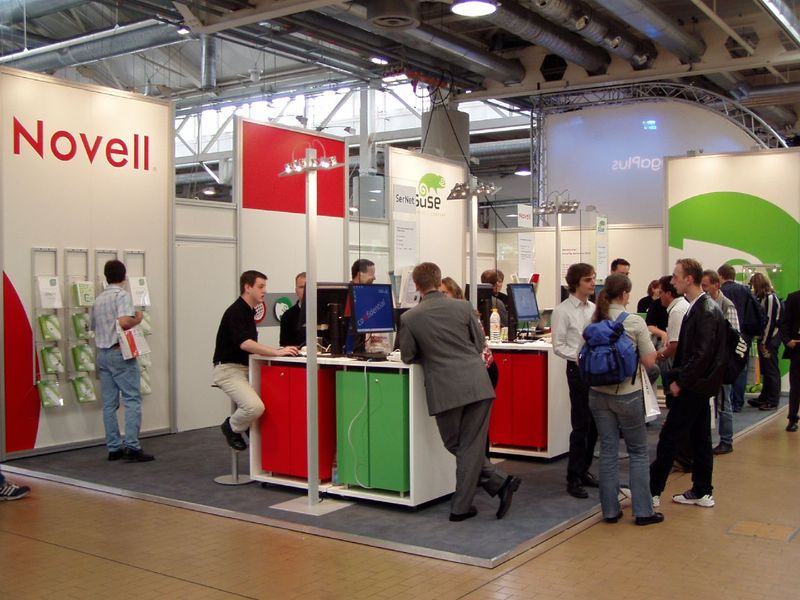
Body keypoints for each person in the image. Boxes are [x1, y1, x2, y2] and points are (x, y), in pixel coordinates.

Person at [399, 262, 521, 522]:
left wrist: (430, 353)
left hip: (444, 388)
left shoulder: (410, 318)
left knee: (456, 444)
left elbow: (407, 355)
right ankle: (499, 483)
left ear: (417, 286)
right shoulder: (464, 307)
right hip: (477, 383)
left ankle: (463, 506)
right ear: (439, 280)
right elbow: (479, 343)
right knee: (469, 446)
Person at [650, 258, 727, 509]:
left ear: (689, 279)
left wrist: (680, 382)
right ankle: (702, 490)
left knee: (670, 436)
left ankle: (651, 491)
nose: (672, 281)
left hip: (694, 386)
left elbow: (701, 355)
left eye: (676, 276)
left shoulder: (705, 310)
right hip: (700, 385)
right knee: (700, 437)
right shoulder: (700, 307)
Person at [586, 274, 661, 526]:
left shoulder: (594, 320)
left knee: (607, 452)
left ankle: (609, 511)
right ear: (624, 294)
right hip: (627, 394)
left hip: (597, 394)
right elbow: (649, 361)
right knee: (638, 452)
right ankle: (643, 511)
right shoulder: (634, 322)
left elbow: (579, 356)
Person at [214, 270, 300, 451]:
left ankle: (258, 444)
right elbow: (245, 343)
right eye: (261, 286)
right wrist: (275, 353)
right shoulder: (236, 311)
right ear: (248, 287)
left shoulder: (248, 311)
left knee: (273, 403)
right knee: (254, 407)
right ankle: (231, 427)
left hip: (245, 368)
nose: (265, 291)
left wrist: (275, 353)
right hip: (229, 370)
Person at [91, 259, 154, 462]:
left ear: (106, 276)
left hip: (102, 354)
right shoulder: (122, 295)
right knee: (132, 399)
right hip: (120, 353)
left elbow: (92, 326)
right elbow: (124, 322)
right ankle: (133, 446)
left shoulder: (99, 299)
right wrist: (138, 318)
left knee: (109, 404)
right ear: (124, 276)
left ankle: (114, 448)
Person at [551, 262, 599, 499]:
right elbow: (558, 346)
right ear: (575, 283)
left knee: (595, 423)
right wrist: (580, 356)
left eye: (593, 278)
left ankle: (584, 469)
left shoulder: (594, 308)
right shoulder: (562, 311)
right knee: (581, 424)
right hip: (578, 370)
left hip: (595, 369)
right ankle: (573, 477)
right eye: (588, 280)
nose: (593, 283)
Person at [701, 269, 740, 455]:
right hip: (709, 363)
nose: (703, 289)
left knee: (724, 404)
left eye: (705, 285)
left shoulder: (727, 305)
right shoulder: (705, 304)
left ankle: (726, 440)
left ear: (717, 285)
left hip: (721, 364)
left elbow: (734, 337)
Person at [440, 276, 498, 388]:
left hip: (484, 369)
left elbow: (478, 344)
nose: (441, 297)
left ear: (455, 294)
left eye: (444, 293)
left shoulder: (466, 314)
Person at [718, 264, 758, 412]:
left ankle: (726, 402)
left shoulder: (721, 292)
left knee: (725, 367)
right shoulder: (745, 290)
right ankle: (738, 402)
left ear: (721, 276)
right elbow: (756, 311)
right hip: (744, 336)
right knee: (741, 368)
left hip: (726, 336)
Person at [749, 272, 782, 411]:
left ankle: (772, 400)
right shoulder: (764, 298)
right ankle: (765, 397)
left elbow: (769, 321)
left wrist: (765, 341)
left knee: (771, 370)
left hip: (770, 338)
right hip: (766, 338)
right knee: (766, 369)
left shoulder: (770, 298)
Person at [780, 288, 800, 432]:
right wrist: (787, 340)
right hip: (797, 348)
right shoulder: (794, 298)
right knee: (796, 385)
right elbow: (784, 322)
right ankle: (792, 418)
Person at [279, 272, 306, 347]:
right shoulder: (287, 316)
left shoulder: (326, 312)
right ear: (296, 290)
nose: (305, 290)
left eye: (308, 287)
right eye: (302, 287)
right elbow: (284, 345)